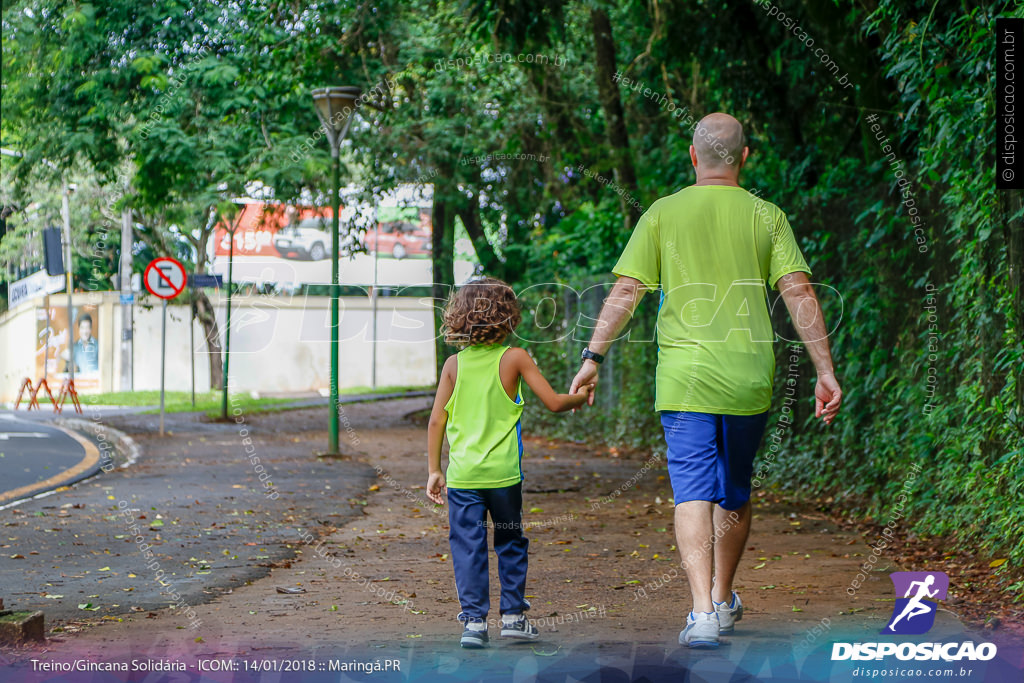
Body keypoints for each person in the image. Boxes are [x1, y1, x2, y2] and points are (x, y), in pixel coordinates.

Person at [570, 113, 842, 649]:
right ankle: (720, 596)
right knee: (734, 490)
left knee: (692, 491)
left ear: (693, 157)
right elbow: (800, 295)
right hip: (748, 377)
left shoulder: (662, 214)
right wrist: (825, 372)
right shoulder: (768, 216)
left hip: (684, 379)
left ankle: (701, 615)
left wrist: (591, 356)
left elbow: (626, 293)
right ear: (744, 158)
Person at [426, 277, 593, 649]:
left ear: (461, 317)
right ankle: (514, 617)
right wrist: (579, 397)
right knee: (510, 541)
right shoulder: (515, 358)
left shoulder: (454, 364)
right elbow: (553, 402)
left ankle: (473, 624)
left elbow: (436, 420)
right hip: (504, 478)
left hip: (465, 477)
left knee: (468, 546)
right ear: (509, 316)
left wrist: (435, 469)